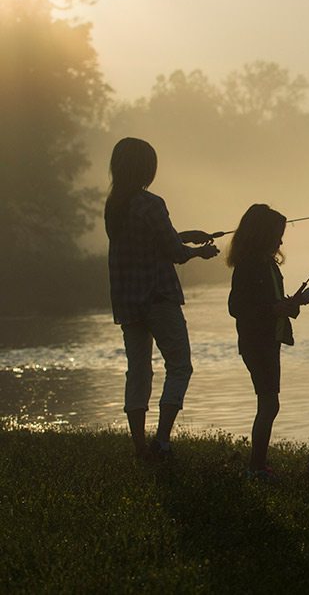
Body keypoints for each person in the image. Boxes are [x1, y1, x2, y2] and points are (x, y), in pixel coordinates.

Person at [104, 137, 219, 461]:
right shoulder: (151, 203)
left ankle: (140, 446)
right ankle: (162, 440)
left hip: (128, 302)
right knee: (179, 366)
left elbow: (146, 241)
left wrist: (186, 235)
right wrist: (200, 252)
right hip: (158, 297)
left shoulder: (115, 206)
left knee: (138, 371)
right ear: (146, 169)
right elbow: (173, 253)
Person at [227, 204, 309, 481]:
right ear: (263, 235)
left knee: (269, 402)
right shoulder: (250, 266)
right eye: (277, 234)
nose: (281, 240)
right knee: (269, 403)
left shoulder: (267, 266)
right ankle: (256, 467)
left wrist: (296, 303)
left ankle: (258, 465)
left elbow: (275, 303)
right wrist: (275, 309)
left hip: (270, 340)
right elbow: (237, 306)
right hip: (258, 343)